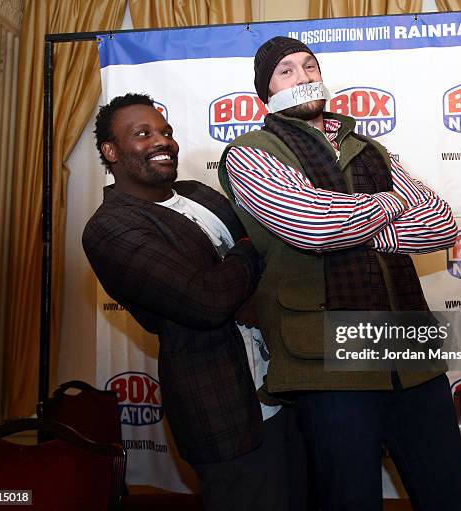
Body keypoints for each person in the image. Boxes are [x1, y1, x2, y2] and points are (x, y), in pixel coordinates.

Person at [218, 37, 461, 511]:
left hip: (411, 356)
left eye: (310, 67)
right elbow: (313, 225)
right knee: (349, 499)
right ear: (266, 94)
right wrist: (392, 206)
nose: (303, 77)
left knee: (452, 497)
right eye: (287, 72)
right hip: (327, 361)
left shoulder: (370, 148)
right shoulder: (250, 152)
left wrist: (353, 223)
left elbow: (440, 224)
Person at [83, 93, 306, 511]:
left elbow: (273, 246)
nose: (161, 141)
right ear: (110, 151)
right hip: (225, 411)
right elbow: (205, 301)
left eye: (165, 132)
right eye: (142, 133)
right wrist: (242, 250)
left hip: (285, 390)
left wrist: (249, 280)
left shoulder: (199, 193)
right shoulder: (110, 227)